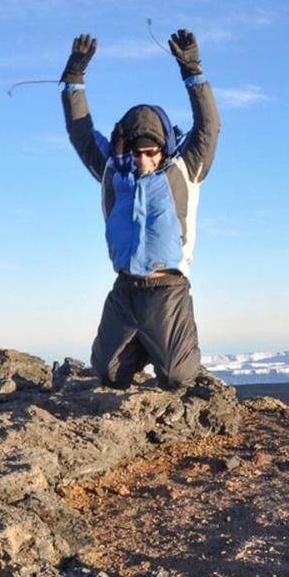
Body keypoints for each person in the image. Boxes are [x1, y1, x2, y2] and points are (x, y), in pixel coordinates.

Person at [60, 29, 220, 389]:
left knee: (178, 377)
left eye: (151, 153)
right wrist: (74, 79)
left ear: (163, 148)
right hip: (124, 290)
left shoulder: (186, 167)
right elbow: (80, 131)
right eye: (137, 153)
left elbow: (209, 126)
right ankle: (147, 345)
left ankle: (166, 346)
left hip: (167, 290)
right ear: (126, 147)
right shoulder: (111, 169)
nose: (144, 160)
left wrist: (192, 70)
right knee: (108, 374)